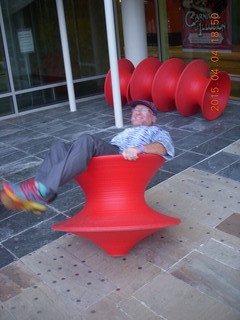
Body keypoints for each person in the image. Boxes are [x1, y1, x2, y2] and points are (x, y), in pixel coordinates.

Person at [0, 100, 174, 214]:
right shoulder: (126, 131)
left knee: (86, 140)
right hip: (112, 155)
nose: (137, 113)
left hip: (123, 163)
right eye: (135, 111)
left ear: (154, 118)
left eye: (143, 111)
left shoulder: (158, 131)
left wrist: (139, 148)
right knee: (58, 147)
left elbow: (164, 148)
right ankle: (42, 193)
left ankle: (40, 190)